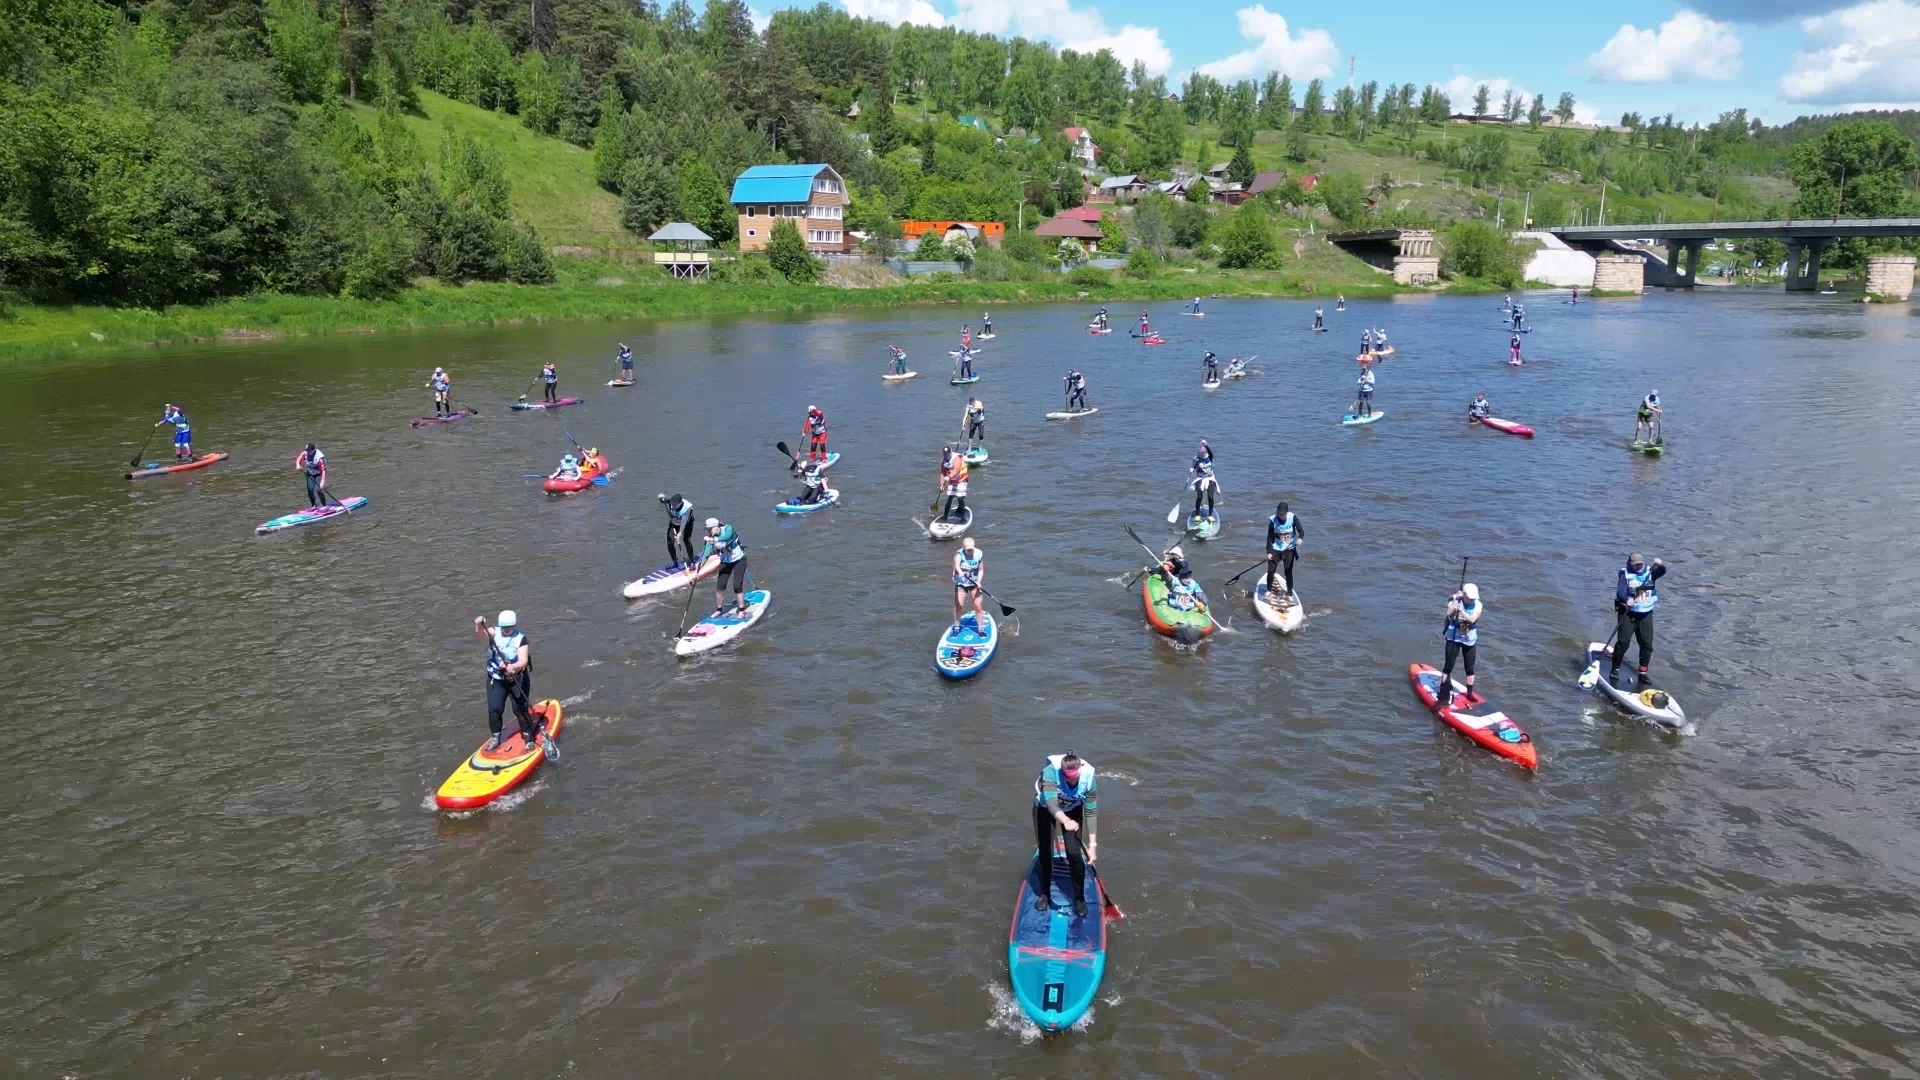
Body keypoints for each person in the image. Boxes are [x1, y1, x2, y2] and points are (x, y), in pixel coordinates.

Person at [1032, 752, 1098, 918]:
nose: (1072, 781)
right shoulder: (1050, 772)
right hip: (1046, 809)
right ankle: (1045, 894)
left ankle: (1079, 898)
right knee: (1045, 852)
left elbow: (1091, 812)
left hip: (1073, 809)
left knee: (1074, 853)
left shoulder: (1089, 779)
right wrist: (1065, 820)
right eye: (1068, 778)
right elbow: (1052, 805)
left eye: (1075, 778)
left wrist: (1092, 845)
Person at [476, 610, 540, 752]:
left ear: (514, 625)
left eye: (510, 627)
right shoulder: (494, 632)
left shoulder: (521, 639)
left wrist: (514, 667)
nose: (507, 630)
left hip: (517, 679)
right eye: (504, 627)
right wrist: (479, 625)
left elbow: (523, 661)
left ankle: (528, 738)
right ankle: (495, 738)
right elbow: (480, 635)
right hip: (496, 679)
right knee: (495, 710)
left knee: (520, 710)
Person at [1612, 553, 1667, 686]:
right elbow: (1620, 592)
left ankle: (1642, 672)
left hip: (1645, 614)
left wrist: (1660, 565)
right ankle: (1615, 668)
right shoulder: (1625, 574)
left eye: (1640, 565)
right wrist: (1626, 599)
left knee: (1647, 645)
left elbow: (1662, 572)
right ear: (1630, 564)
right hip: (1628, 614)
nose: (1637, 567)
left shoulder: (1650, 572)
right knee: (1623, 642)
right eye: (1635, 565)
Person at [1438, 582, 1482, 705]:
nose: (1472, 600)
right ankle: (1443, 691)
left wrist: (1462, 611)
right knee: (1448, 666)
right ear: (1464, 594)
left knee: (1469, 667)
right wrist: (1455, 602)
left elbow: (1472, 619)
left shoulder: (1478, 604)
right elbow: (1448, 613)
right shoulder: (1454, 600)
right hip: (1454, 637)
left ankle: (1470, 693)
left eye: (1473, 598)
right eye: (1470, 597)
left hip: (1468, 638)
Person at [698, 517, 750, 617]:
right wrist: (700, 565)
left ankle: (741, 610)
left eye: (710, 529)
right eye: (707, 529)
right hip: (726, 561)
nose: (709, 531)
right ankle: (719, 610)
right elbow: (706, 553)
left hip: (739, 560)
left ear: (716, 526)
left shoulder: (728, 529)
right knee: (720, 586)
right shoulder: (711, 537)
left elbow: (726, 537)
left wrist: (712, 539)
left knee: (737, 586)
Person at [1265, 501, 1304, 599]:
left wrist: (1300, 538)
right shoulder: (1273, 520)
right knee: (1270, 570)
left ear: (1286, 513)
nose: (1280, 516)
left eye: (1282, 514)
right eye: (1279, 514)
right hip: (1276, 548)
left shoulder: (1292, 518)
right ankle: (1269, 590)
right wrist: (1269, 552)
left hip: (1289, 548)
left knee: (1288, 570)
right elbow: (1269, 538)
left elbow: (1301, 531)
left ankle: (1289, 593)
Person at [952, 537, 986, 632]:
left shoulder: (979, 553)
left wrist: (979, 582)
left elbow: (981, 570)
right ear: (964, 548)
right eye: (968, 550)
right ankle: (957, 627)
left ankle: (980, 629)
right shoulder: (959, 554)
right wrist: (960, 572)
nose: (970, 552)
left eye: (971, 549)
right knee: (959, 605)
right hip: (961, 583)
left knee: (978, 606)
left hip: (974, 583)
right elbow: (957, 565)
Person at [1158, 545, 1207, 612]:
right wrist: (1165, 570)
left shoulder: (1176, 581)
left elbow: (1168, 581)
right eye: (1186, 577)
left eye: (1188, 577)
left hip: (1178, 606)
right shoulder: (1192, 584)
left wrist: (1203, 604)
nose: (1187, 580)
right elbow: (1201, 595)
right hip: (1182, 606)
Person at [659, 493, 697, 569]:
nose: (673, 506)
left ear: (679, 503)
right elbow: (662, 499)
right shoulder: (670, 501)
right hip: (674, 522)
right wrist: (661, 499)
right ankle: (674, 561)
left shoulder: (687, 508)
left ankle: (692, 561)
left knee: (686, 540)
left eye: (675, 505)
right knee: (670, 542)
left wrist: (679, 534)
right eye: (672, 504)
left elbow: (683, 523)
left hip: (687, 523)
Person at [937, 445, 969, 521]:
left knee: (960, 497)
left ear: (950, 452)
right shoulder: (943, 461)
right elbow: (942, 473)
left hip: (962, 479)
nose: (946, 455)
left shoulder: (956, 458)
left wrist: (949, 476)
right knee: (950, 497)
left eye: (948, 453)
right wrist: (942, 485)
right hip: (953, 481)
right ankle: (945, 515)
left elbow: (956, 469)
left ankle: (962, 516)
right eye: (945, 454)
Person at [1189, 439, 1218, 520]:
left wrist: (1206, 445)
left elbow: (1210, 452)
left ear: (1205, 453)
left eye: (1203, 453)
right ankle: (1197, 515)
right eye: (1200, 453)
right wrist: (1192, 469)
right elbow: (1193, 467)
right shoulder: (1196, 459)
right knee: (1199, 497)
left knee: (1210, 497)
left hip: (1210, 478)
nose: (1201, 454)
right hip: (1200, 478)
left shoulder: (1210, 456)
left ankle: (1210, 515)